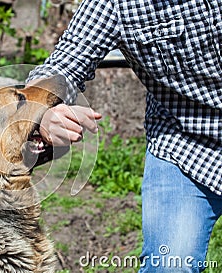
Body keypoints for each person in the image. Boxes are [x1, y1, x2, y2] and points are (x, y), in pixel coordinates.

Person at [27, 0, 222, 272]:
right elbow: (63, 66)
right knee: (168, 266)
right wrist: (41, 112)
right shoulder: (115, 5)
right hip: (184, 146)